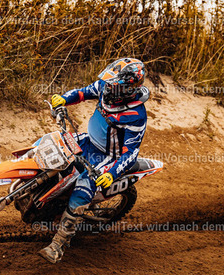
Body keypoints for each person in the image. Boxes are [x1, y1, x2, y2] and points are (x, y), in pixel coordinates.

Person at [39, 57, 149, 264]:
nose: (108, 87)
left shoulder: (136, 115)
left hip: (107, 157)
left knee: (83, 188)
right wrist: (63, 99)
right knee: (45, 144)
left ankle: (58, 244)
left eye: (114, 85)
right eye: (109, 82)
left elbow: (131, 153)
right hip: (87, 140)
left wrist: (111, 174)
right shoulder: (105, 88)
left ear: (128, 89)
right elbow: (82, 93)